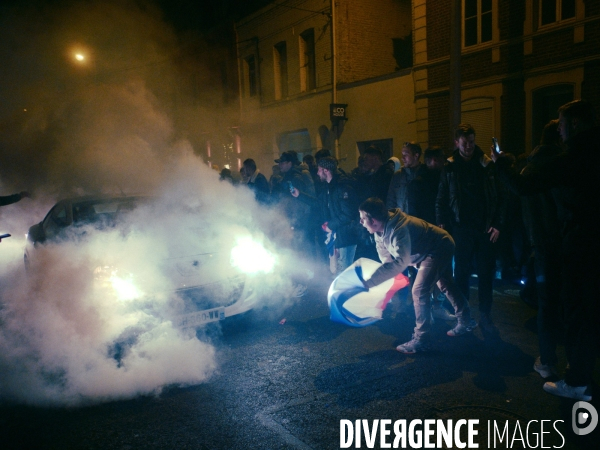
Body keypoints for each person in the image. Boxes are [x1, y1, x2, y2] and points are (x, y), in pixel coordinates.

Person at [492, 99, 599, 401]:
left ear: (574, 124)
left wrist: (501, 163)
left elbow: (523, 187)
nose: (561, 130)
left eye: (563, 123)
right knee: (586, 311)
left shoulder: (575, 157)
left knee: (574, 311)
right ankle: (577, 369)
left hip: (578, 244)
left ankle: (576, 380)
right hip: (583, 243)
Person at [358, 198, 477, 353]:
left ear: (373, 221)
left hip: (439, 247)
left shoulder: (399, 229)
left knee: (420, 290)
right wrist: (382, 280)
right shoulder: (379, 231)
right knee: (445, 284)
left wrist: (371, 282)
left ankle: (422, 340)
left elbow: (400, 262)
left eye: (362, 219)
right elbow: (387, 261)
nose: (360, 222)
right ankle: (466, 321)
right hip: (428, 250)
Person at [436, 124, 506, 334]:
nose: (468, 146)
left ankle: (485, 316)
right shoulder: (450, 167)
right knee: (461, 275)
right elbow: (442, 197)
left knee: (486, 274)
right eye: (464, 142)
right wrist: (442, 222)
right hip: (460, 229)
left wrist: (498, 224)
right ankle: (464, 317)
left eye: (471, 142)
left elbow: (501, 196)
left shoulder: (486, 164)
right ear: (457, 142)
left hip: (484, 229)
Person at [292, 157, 360, 275]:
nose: (317, 173)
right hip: (337, 237)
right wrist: (300, 195)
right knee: (337, 271)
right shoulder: (328, 187)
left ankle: (347, 293)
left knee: (344, 273)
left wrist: (331, 225)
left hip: (346, 237)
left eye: (319, 170)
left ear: (326, 170)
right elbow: (319, 203)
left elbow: (349, 214)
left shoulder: (342, 187)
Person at [387, 142, 423, 212]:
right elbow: (391, 200)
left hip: (420, 220)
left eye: (406, 155)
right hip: (402, 220)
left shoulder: (425, 174)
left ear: (416, 156)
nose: (402, 158)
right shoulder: (397, 176)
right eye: (402, 155)